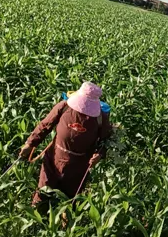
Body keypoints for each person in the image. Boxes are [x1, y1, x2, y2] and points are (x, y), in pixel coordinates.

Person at [18, 82, 111, 212]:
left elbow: (106, 140)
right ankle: (36, 224)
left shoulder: (101, 118)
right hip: (54, 159)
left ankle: (64, 228)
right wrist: (30, 144)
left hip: (78, 167)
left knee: (69, 203)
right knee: (42, 195)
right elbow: (45, 126)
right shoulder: (64, 107)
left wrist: (99, 155)